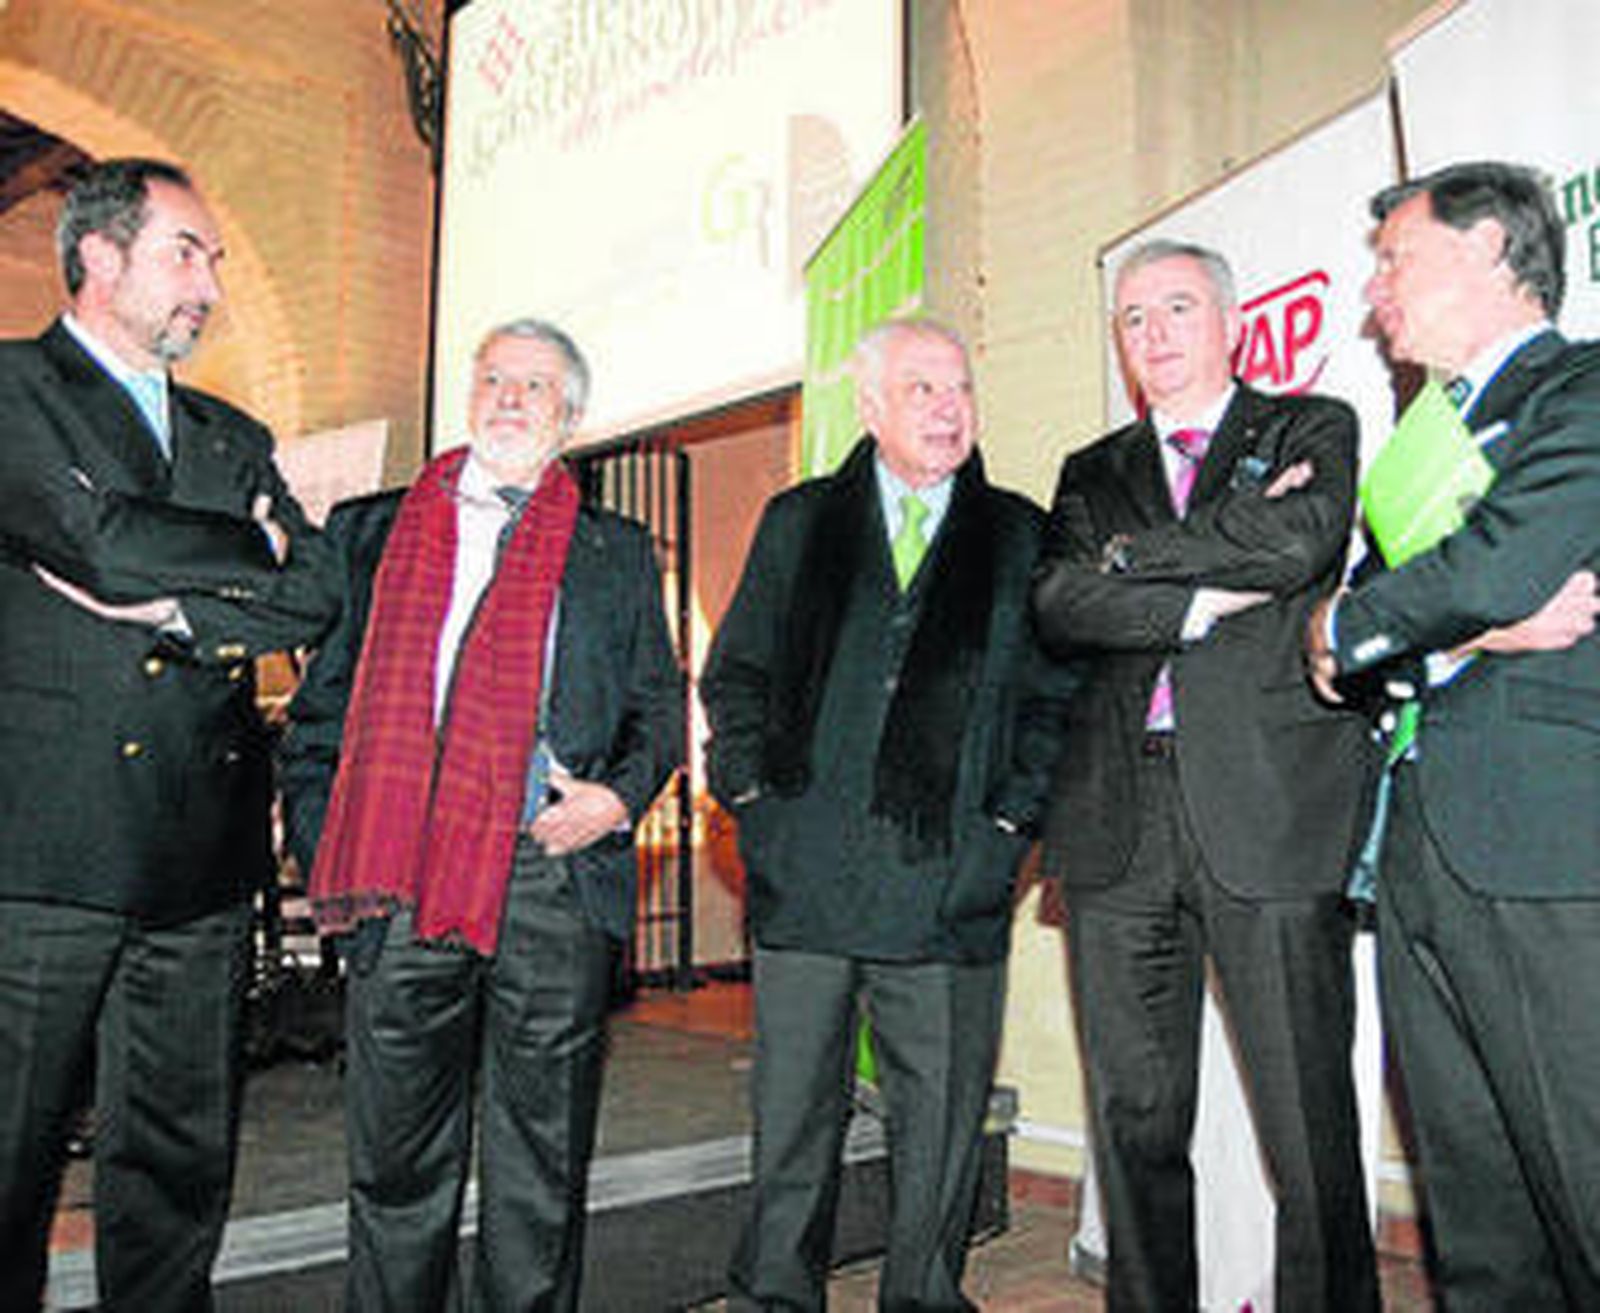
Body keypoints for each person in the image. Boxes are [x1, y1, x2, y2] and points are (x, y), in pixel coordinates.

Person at [0, 157, 338, 1312]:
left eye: (214, 262)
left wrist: (182, 604)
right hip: (45, 850)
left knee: (177, 1159)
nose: (210, 284)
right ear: (97, 257)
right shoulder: (10, 391)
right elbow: (95, 538)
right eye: (184, 253)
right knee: (13, 1152)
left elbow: (318, 591)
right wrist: (247, 554)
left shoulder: (231, 430)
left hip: (199, 851)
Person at [304, 318, 683, 1311]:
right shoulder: (370, 528)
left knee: (538, 1166)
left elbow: (658, 709)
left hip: (549, 881)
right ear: (468, 394)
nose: (511, 398)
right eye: (495, 379)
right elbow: (318, 713)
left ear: (572, 418)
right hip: (399, 874)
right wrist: (326, 842)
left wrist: (614, 800)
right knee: (393, 1161)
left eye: (537, 385)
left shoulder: (614, 548)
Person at [1031, 239, 1379, 1312]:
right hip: (1116, 822)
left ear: (1231, 320)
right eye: (1132, 318)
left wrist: (1130, 556)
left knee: (1305, 1118)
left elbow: (1298, 543)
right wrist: (1192, 595)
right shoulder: (1091, 470)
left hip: (1269, 813)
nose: (1155, 334)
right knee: (1133, 1114)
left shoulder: (1307, 426)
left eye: (1177, 308)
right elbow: (1058, 602)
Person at [702, 317, 1073, 1311]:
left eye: (959, 388)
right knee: (790, 1121)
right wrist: (751, 805)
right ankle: (776, 1295)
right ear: (869, 407)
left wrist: (1005, 833)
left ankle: (923, 1294)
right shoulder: (799, 521)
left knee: (942, 1124)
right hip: (805, 878)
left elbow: (1052, 703)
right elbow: (735, 676)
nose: (949, 408)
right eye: (921, 389)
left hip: (949, 887)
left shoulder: (1019, 533)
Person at [1306, 160, 1600, 1311]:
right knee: (1473, 1209)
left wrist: (1350, 624)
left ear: (1488, 250)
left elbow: (1499, 565)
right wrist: (1458, 638)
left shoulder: (1577, 391)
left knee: (1582, 1180)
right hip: (1419, 852)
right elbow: (1357, 655)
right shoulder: (1418, 442)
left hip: (1544, 850)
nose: (1374, 290)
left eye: (1396, 259)